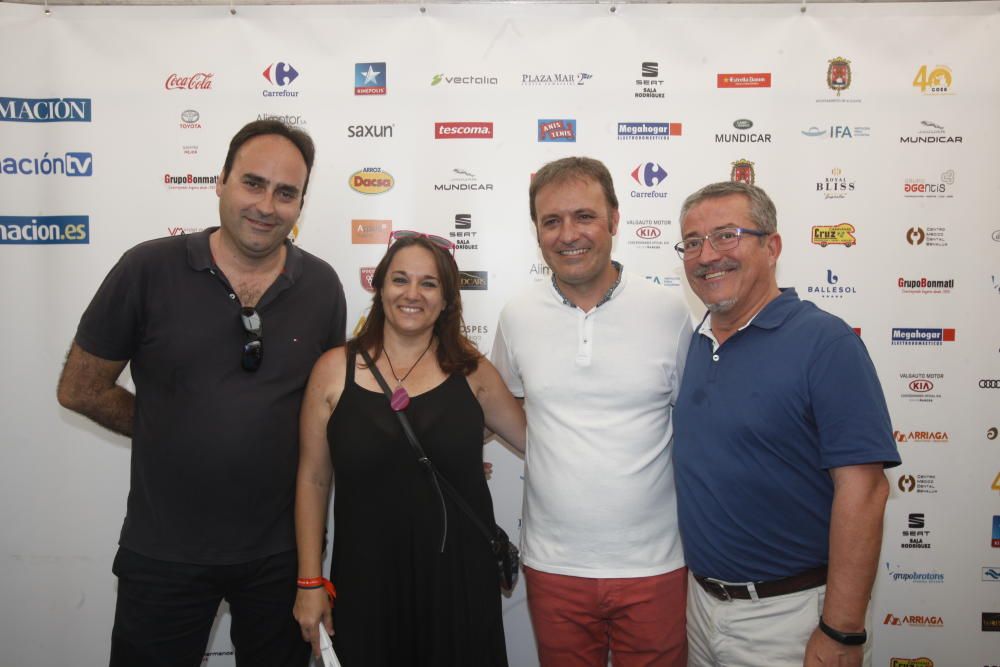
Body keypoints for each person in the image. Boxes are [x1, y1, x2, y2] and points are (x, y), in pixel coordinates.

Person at [56, 119, 346, 667]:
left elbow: (326, 413)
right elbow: (80, 388)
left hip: (282, 557)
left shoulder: (323, 287)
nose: (266, 205)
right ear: (220, 181)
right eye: (252, 183)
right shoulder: (147, 268)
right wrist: (169, 426)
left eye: (287, 193)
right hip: (163, 552)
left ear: (301, 204)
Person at [672, 181, 901, 667]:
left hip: (790, 619)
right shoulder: (692, 344)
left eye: (726, 235)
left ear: (771, 247)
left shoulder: (825, 343)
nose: (707, 255)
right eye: (693, 242)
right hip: (701, 609)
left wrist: (841, 630)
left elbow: (865, 491)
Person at [490, 157, 692, 666]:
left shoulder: (668, 312)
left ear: (614, 221)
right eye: (551, 221)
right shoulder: (517, 316)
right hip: (553, 564)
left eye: (584, 216)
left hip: (656, 563)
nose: (568, 234)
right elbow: (503, 403)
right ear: (536, 231)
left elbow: (695, 419)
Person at [294, 232, 525, 666]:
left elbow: (538, 440)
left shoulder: (473, 372)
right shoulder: (332, 371)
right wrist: (310, 581)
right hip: (366, 579)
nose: (412, 294)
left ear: (446, 299)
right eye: (400, 280)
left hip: (459, 581)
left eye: (429, 283)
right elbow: (312, 478)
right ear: (379, 287)